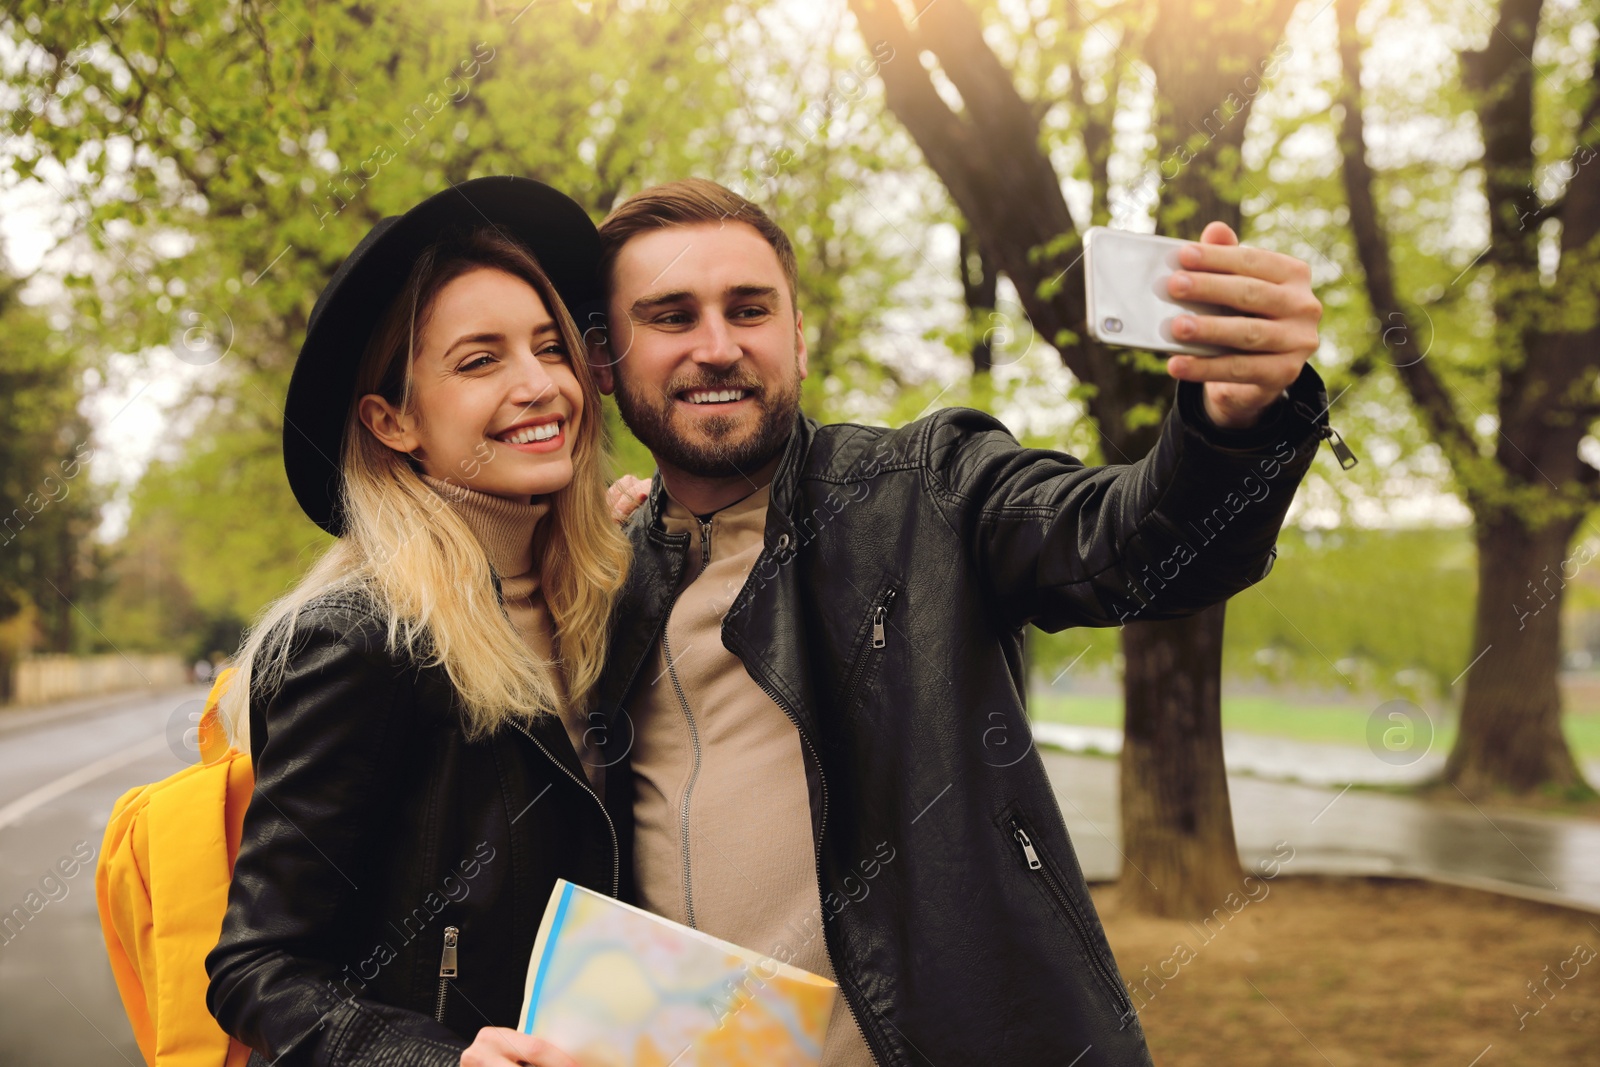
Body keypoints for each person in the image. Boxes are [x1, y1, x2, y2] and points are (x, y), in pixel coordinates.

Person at [587, 179, 1335, 1065]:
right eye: (670, 316)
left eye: (748, 309)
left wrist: (1237, 419)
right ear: (606, 360)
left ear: (796, 335)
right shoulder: (598, 577)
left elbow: (1135, 541)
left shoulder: (926, 490)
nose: (717, 347)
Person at [204, 177, 630, 1067]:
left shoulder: (602, 604)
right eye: (480, 362)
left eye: (551, 348)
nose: (539, 385)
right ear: (392, 421)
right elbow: (258, 964)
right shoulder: (357, 638)